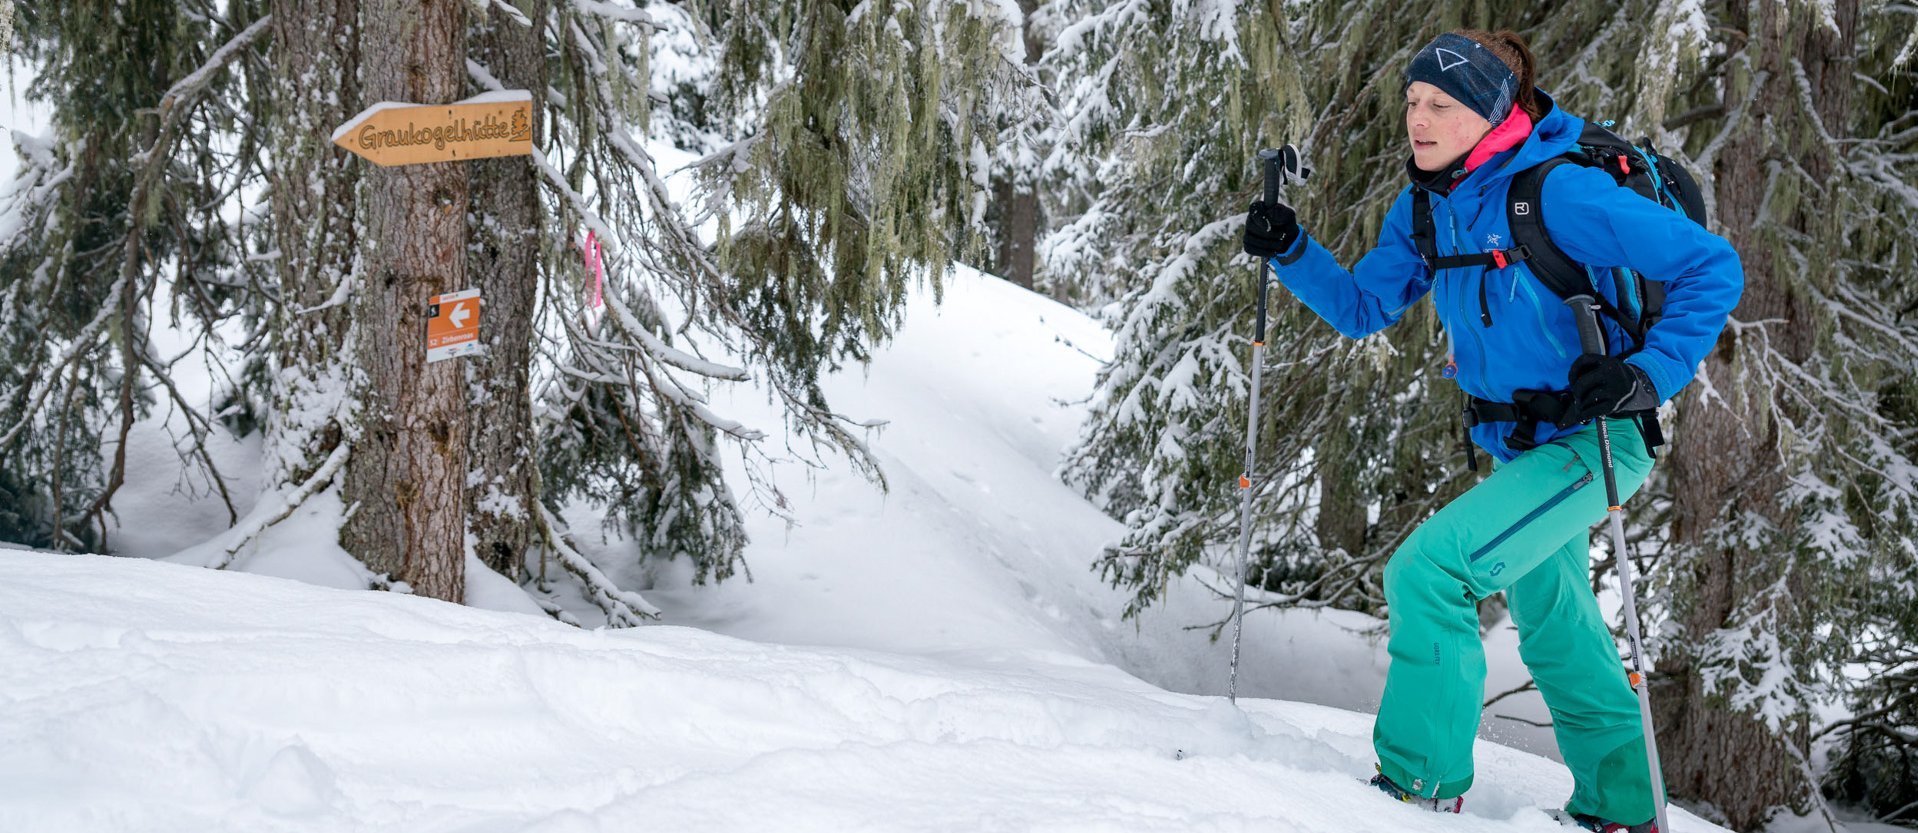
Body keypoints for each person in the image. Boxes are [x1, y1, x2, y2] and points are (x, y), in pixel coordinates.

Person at [1239, 29, 1742, 833]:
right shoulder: (1427, 206)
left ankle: (1417, 790)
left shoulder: (1558, 194)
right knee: (1557, 628)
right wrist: (1293, 249)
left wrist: (1648, 371)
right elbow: (1366, 307)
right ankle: (1622, 812)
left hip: (1596, 441)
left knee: (1430, 573)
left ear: (1490, 111)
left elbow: (1712, 265)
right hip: (1526, 449)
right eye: (1411, 101)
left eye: (1441, 103)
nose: (1419, 118)